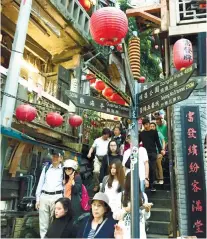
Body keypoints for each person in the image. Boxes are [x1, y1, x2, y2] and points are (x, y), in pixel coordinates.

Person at [35, 149, 64, 238]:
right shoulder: (46, 168)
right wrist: (37, 199)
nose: (54, 158)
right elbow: (40, 183)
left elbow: (66, 186)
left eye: (57, 156)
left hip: (56, 197)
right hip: (44, 196)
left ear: (61, 158)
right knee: (43, 222)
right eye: (53, 156)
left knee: (54, 221)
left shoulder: (63, 170)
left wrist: (64, 201)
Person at [114, 172, 152, 239]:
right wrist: (126, 209)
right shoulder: (120, 196)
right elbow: (116, 216)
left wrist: (147, 210)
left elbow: (146, 217)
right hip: (124, 233)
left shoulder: (143, 196)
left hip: (140, 233)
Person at [139, 118, 165, 192]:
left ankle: (152, 185)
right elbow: (137, 142)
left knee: (152, 168)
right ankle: (147, 184)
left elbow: (158, 142)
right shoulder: (142, 134)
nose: (147, 126)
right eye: (145, 124)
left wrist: (161, 151)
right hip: (144, 153)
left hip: (153, 152)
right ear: (143, 125)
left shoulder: (154, 132)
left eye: (148, 124)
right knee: (146, 169)